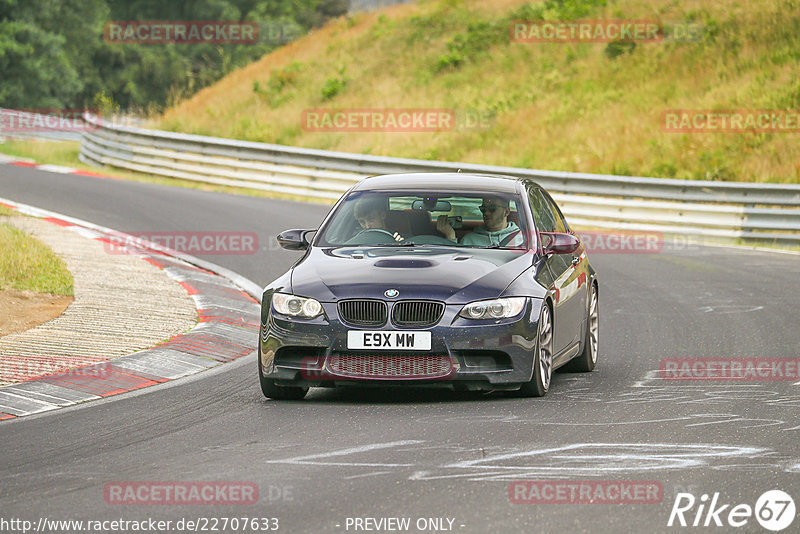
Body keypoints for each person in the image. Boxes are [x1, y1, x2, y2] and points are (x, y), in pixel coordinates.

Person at [436, 197, 522, 246]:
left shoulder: (522, 239)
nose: (486, 213)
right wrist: (450, 237)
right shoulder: (469, 239)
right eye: (483, 209)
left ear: (506, 212)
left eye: (492, 209)